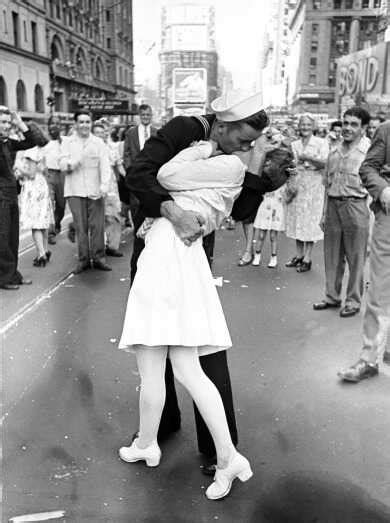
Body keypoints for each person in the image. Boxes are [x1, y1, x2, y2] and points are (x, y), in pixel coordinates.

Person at [124, 89, 293, 476]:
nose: (245, 146)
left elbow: (242, 208)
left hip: (187, 249)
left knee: (197, 352)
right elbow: (140, 172)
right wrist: (172, 210)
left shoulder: (235, 158)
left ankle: (215, 448)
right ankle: (160, 430)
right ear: (222, 124)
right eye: (242, 139)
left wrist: (263, 179)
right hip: (163, 239)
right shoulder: (185, 129)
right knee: (167, 351)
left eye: (252, 142)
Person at [119, 141, 252, 500]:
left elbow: (164, 174)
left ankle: (152, 445)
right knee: (188, 369)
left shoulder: (226, 165)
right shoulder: (211, 181)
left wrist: (201, 146)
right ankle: (224, 456)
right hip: (183, 261)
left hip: (166, 260)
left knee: (153, 368)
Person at [338, 120, 390, 382]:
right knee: (380, 291)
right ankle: (369, 358)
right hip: (388, 218)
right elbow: (368, 167)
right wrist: (383, 190)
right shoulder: (387, 129)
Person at [313, 107, 371, 317]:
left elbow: (374, 189)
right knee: (332, 256)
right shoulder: (334, 151)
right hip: (334, 207)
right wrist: (323, 214)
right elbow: (327, 186)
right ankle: (331, 297)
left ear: (364, 128)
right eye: (345, 123)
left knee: (356, 257)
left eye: (354, 124)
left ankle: (353, 302)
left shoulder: (369, 153)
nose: (347, 128)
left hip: (356, 207)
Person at [0, 106, 47, 290]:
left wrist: (18, 122)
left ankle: (12, 275)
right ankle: (4, 278)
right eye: (2, 122)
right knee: (2, 238)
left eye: (7, 122)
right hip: (1, 196)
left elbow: (32, 141)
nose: (6, 125)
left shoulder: (7, 142)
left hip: (11, 194)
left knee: (12, 238)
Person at [59, 111, 112, 274]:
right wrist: (73, 162)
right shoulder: (68, 142)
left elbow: (105, 166)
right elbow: (61, 164)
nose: (84, 125)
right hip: (75, 190)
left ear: (91, 123)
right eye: (81, 122)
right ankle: (83, 260)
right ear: (75, 124)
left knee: (97, 226)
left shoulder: (98, 142)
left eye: (87, 122)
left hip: (95, 190)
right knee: (81, 227)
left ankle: (98, 258)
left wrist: (103, 188)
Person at [285, 114, 329, 272]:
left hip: (314, 186)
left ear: (314, 127)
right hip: (298, 184)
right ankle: (298, 255)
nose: (304, 127)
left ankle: (308, 258)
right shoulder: (294, 144)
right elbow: (290, 162)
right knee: (297, 219)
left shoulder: (321, 143)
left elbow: (325, 163)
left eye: (308, 125)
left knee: (310, 221)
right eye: (302, 124)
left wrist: (307, 158)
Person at [92, 121, 124, 257]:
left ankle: (113, 246)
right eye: (97, 133)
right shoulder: (90, 148)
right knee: (99, 217)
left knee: (114, 216)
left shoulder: (111, 148)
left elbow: (119, 166)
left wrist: (129, 177)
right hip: (94, 186)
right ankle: (100, 246)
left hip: (111, 187)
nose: (100, 135)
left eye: (102, 132)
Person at [18, 147, 54, 267]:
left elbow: (32, 174)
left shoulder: (30, 153)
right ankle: (45, 250)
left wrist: (19, 169)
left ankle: (41, 254)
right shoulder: (41, 151)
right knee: (43, 222)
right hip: (41, 185)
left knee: (35, 224)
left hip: (33, 189)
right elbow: (45, 171)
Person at [123, 104, 158, 225]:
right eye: (143, 114)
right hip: (135, 176)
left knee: (152, 204)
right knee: (136, 205)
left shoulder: (157, 133)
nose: (145, 117)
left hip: (152, 176)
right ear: (139, 116)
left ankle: (150, 233)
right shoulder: (131, 133)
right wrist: (130, 170)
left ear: (151, 116)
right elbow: (126, 154)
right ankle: (137, 231)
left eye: (148, 114)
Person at [42, 115, 66, 245]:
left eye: (57, 123)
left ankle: (57, 223)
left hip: (62, 175)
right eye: (52, 123)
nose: (55, 126)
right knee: (49, 204)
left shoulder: (65, 141)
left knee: (61, 205)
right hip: (48, 175)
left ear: (61, 126)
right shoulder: (43, 141)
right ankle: (50, 233)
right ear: (48, 126)